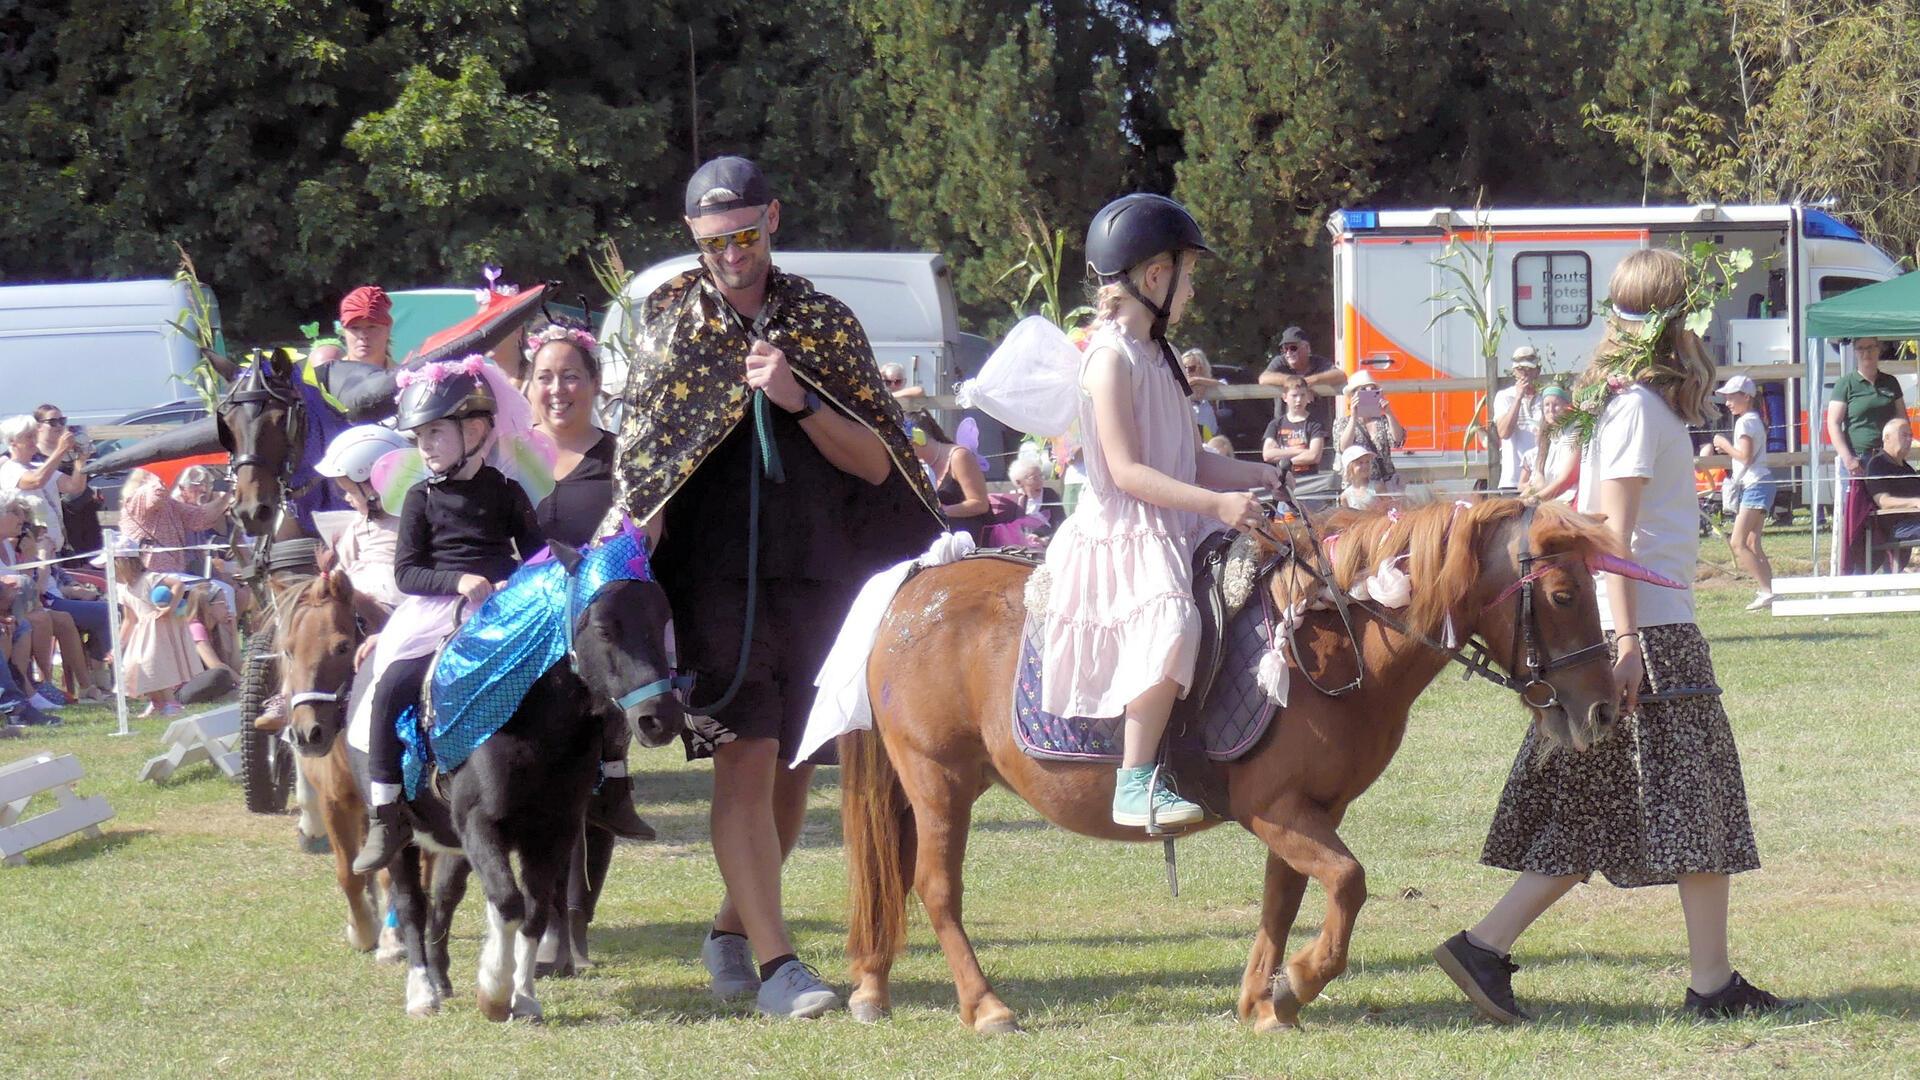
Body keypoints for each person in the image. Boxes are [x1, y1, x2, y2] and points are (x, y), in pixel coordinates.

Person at [608, 155, 942, 1019]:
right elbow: (645, 465)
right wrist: (633, 542)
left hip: (822, 579)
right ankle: (777, 966)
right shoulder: (670, 328)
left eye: (747, 234)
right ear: (694, 239)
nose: (732, 253)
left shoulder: (824, 322)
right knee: (745, 763)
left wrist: (797, 398)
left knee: (794, 779)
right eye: (715, 240)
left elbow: (880, 463)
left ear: (774, 220)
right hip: (718, 587)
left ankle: (730, 930)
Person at [1435, 248, 1782, 1025]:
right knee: (1686, 805)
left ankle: (1490, 949)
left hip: (1650, 630)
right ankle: (1707, 983)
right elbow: (1611, 542)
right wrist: (1626, 648)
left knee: (1618, 812)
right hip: (1647, 636)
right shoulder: (1630, 411)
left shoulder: (1628, 404)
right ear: (1677, 318)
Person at [1047, 192, 1285, 832]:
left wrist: (1260, 473)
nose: (1190, 291)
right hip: (1126, 528)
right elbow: (1126, 472)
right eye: (1189, 276)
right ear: (1157, 276)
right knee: (1172, 621)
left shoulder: (1160, 356)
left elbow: (1192, 462)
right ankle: (1134, 782)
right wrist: (1216, 503)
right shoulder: (1109, 360)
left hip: (1175, 513)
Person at [352, 359, 545, 875]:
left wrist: (519, 583)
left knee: (569, 676)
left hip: (503, 611)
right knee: (392, 685)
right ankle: (386, 808)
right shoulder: (420, 499)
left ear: (476, 430)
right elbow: (408, 573)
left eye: (436, 432)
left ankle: (605, 780)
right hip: (436, 611)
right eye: (420, 437)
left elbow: (539, 556)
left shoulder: (507, 493)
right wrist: (456, 582)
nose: (426, 445)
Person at [523, 320, 657, 840]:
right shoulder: (501, 453)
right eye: (545, 377)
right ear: (529, 386)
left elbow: (641, 539)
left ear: (595, 383)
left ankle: (613, 777)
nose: (558, 390)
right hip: (518, 610)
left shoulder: (623, 458)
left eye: (572, 376)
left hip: (595, 607)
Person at [1825, 337, 1904, 573]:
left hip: (1888, 460)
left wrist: (1901, 452)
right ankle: (1859, 573)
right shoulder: (1845, 384)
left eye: (1870, 348)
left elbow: (1902, 421)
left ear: (1878, 350)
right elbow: (1833, 423)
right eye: (1861, 348)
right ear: (1855, 352)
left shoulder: (1890, 383)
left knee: (1891, 515)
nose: (1866, 353)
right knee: (1858, 519)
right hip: (1859, 460)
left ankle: (1893, 572)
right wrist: (1847, 458)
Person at [106, 541, 205, 718]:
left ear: (123, 563)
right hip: (142, 634)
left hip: (158, 632)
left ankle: (171, 704)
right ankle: (157, 702)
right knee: (136, 666)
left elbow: (178, 585)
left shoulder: (149, 579)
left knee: (153, 666)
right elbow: (130, 619)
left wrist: (170, 607)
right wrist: (118, 646)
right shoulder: (123, 589)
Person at [1709, 375, 1774, 610]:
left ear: (1746, 397)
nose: (1727, 402)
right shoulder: (1754, 419)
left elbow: (1744, 456)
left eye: (1731, 397)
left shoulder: (1745, 422)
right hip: (1761, 483)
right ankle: (1770, 590)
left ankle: (1765, 591)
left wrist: (1724, 445)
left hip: (1755, 484)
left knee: (1738, 543)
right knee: (1752, 542)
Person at [0, 413, 82, 555]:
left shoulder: (40, 467)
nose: (34, 441)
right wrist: (61, 449)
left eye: (34, 436)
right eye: (28, 437)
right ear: (13, 442)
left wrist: (81, 458)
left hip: (52, 548)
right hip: (29, 549)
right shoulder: (9, 469)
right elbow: (35, 481)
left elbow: (74, 486)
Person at [31, 405, 103, 561]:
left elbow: (78, 485)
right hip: (53, 516)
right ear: (38, 426)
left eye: (62, 421)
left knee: (90, 556)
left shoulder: (71, 450)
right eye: (52, 422)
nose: (59, 426)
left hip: (82, 513)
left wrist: (81, 457)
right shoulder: (33, 456)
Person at [911, 414, 994, 543]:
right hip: (945, 539)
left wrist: (942, 511)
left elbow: (980, 504)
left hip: (971, 541)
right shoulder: (921, 467)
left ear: (918, 437)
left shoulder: (959, 456)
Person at [1257, 326, 1344, 438]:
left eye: (1293, 348)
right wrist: (1298, 383)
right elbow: (1263, 378)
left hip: (1317, 431)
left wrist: (1310, 381)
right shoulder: (1280, 362)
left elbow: (1340, 375)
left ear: (1307, 348)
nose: (1288, 352)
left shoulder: (1318, 362)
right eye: (1284, 349)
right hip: (1286, 433)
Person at [1861, 418, 1920, 571]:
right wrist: (1914, 502)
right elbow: (1883, 501)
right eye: (1904, 435)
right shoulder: (1877, 465)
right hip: (1894, 528)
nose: (1909, 439)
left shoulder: (1907, 469)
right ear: (1887, 438)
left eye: (1910, 435)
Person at [1333, 371, 1405, 495]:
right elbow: (1343, 448)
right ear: (1353, 395)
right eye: (1363, 390)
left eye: (1373, 389)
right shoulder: (1343, 422)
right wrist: (1354, 417)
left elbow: (1398, 440)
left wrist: (1389, 413)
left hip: (1384, 484)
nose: (1368, 392)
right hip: (1357, 486)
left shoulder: (1383, 421)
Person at [1519, 385, 1578, 506]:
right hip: (1549, 502)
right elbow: (1540, 482)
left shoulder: (1574, 433)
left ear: (1567, 407)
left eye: (1556, 405)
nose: (1550, 409)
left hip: (1568, 501)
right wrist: (1520, 500)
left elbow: (1565, 480)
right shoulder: (1546, 440)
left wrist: (1533, 500)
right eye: (1546, 405)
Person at [1494, 347, 1543, 490]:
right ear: (1514, 372)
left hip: (1539, 480)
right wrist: (1518, 397)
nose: (1525, 373)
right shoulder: (1504, 397)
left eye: (1529, 369)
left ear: (1537, 372)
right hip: (1512, 481)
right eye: (1520, 369)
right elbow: (1504, 433)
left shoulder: (1545, 400)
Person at [1261, 374, 1328, 479]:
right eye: (1294, 396)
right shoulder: (1275, 424)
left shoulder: (1316, 423)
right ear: (1285, 397)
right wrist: (1300, 451)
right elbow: (1267, 454)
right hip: (1283, 480)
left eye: (1302, 395)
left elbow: (1314, 456)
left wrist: (1287, 462)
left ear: (1308, 396)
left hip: (1309, 481)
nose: (1298, 400)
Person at [338, 286, 395, 369]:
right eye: (355, 328)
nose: (363, 335)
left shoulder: (405, 379)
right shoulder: (328, 379)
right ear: (344, 331)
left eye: (372, 327)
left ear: (388, 329)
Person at [1181, 348, 1223, 439]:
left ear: (1201, 368)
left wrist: (1199, 380)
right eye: (1183, 368)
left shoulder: (1210, 386)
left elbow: (1225, 386)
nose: (1187, 372)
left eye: (1192, 368)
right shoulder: (1174, 387)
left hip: (1208, 441)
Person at [1336, 444, 1378, 510]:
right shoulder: (1345, 496)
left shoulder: (1377, 487)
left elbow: (1390, 508)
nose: (1365, 466)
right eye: (1360, 463)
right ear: (1350, 467)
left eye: (1367, 462)